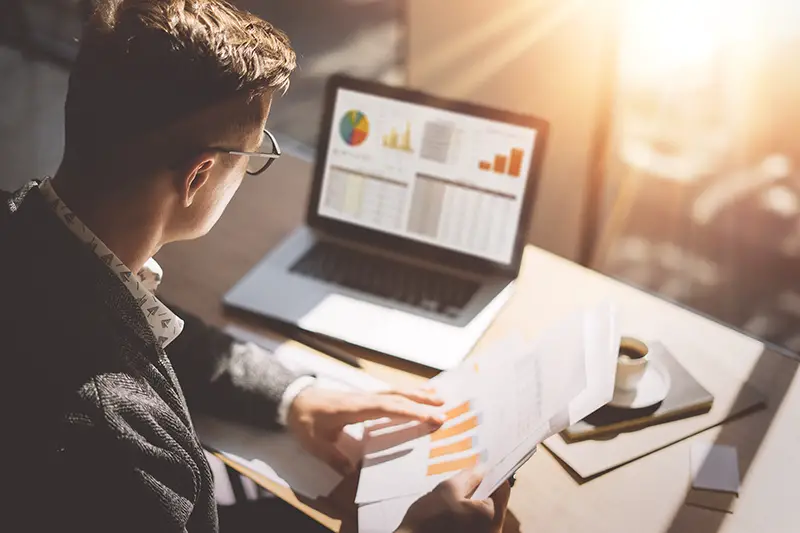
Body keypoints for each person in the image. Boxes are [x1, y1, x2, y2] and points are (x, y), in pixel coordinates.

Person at [0, 1, 510, 531]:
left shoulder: (29, 236)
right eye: (252, 155)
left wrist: (294, 396)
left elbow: (136, 323)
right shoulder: (117, 440)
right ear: (198, 177)